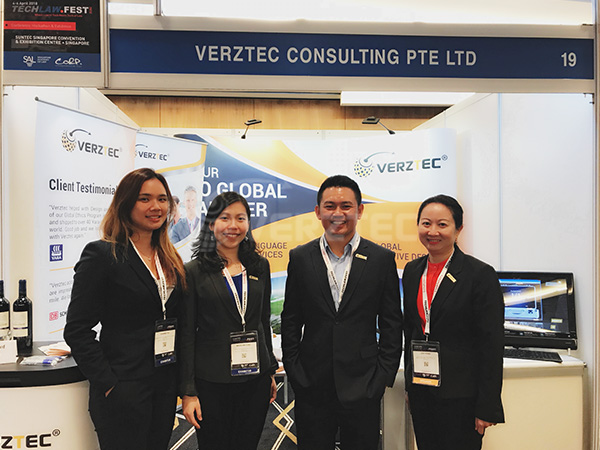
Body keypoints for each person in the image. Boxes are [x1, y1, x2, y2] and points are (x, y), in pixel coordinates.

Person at [64, 168, 185, 450]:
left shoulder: (169, 257)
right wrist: (109, 384)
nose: (156, 207)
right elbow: (77, 330)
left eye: (162, 199)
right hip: (123, 388)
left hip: (163, 385)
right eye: (145, 199)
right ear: (125, 203)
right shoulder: (102, 254)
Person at [281, 174, 403, 450]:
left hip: (364, 384)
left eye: (346, 206)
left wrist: (382, 377)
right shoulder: (300, 258)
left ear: (360, 210)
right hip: (312, 384)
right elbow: (291, 320)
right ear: (318, 211)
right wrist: (295, 371)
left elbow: (391, 323)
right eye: (330, 206)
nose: (338, 213)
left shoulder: (381, 259)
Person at [402, 194, 505, 450]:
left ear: (458, 229)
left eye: (442, 224)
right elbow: (411, 331)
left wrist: (487, 406)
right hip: (422, 390)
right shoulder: (412, 271)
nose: (432, 231)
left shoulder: (479, 274)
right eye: (426, 223)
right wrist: (410, 387)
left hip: (462, 397)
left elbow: (491, 344)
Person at [179, 191, 278, 450]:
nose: (233, 225)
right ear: (212, 224)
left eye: (240, 218)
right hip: (212, 381)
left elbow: (262, 320)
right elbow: (186, 333)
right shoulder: (194, 271)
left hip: (255, 379)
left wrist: (269, 370)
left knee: (248, 443)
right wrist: (188, 391)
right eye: (225, 218)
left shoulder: (260, 266)